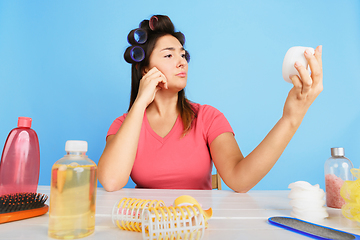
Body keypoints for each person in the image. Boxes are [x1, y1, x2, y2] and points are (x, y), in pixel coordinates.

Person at [98, 15, 323, 192]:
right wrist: (139, 104)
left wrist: (291, 118)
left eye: (183, 55)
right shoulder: (124, 125)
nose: (181, 62)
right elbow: (110, 181)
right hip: (145, 227)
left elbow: (240, 179)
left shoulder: (207, 118)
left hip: (197, 225)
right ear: (145, 69)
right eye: (168, 56)